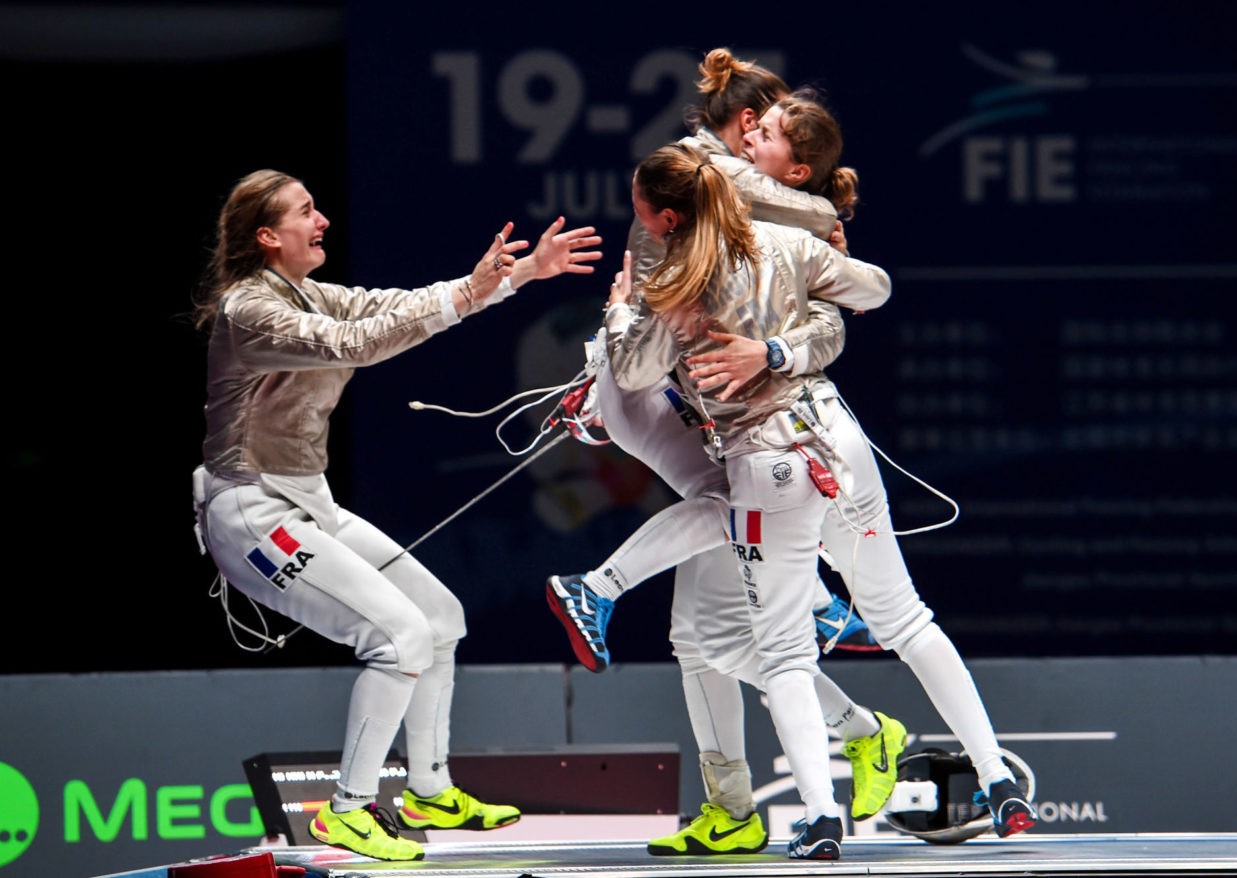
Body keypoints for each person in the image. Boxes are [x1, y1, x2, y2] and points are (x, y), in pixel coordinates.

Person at [601, 142, 1037, 859]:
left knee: (783, 655)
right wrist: (790, 333)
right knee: (906, 619)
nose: (637, 220)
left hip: (769, 468)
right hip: (840, 442)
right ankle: (998, 782)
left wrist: (623, 311)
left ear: (667, 218)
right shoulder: (782, 242)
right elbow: (874, 289)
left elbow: (633, 367)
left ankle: (821, 819)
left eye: (640, 210)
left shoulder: (673, 282)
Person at [189, 169, 601, 861]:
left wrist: (515, 276)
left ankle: (429, 787)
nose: (322, 220)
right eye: (305, 211)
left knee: (439, 619)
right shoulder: (250, 311)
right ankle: (347, 809)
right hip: (250, 511)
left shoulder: (312, 293)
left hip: (305, 497)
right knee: (399, 637)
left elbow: (397, 305)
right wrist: (474, 292)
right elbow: (359, 344)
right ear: (267, 236)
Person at [548, 52, 897, 858]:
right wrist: (601, 377)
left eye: (780, 138)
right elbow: (650, 324)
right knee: (701, 635)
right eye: (770, 128)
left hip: (756, 434)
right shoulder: (715, 176)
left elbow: (840, 306)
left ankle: (801, 641)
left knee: (712, 613)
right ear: (747, 127)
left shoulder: (729, 194)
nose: (772, 148)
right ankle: (817, 741)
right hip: (702, 414)